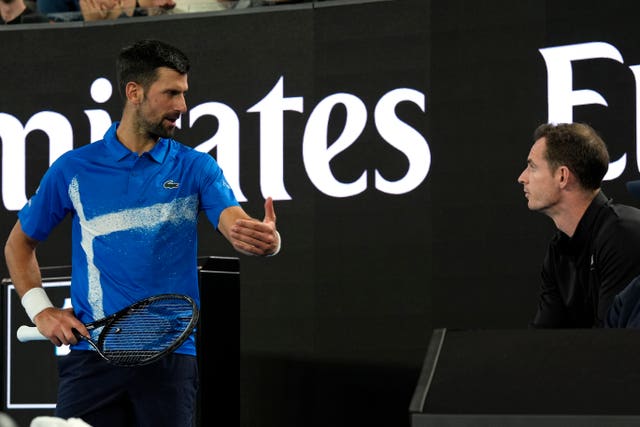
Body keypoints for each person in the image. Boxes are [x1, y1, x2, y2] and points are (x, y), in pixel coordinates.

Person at [4, 39, 281, 427]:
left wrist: (260, 238)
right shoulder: (73, 169)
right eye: (171, 93)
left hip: (170, 360)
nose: (182, 107)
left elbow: (233, 220)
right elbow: (19, 243)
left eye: (184, 94)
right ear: (134, 92)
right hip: (92, 359)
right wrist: (41, 311)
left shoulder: (196, 168)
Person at [517, 122, 640, 328]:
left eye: (532, 167)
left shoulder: (624, 235)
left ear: (563, 176)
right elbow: (542, 342)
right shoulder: (559, 250)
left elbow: (616, 345)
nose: (522, 178)